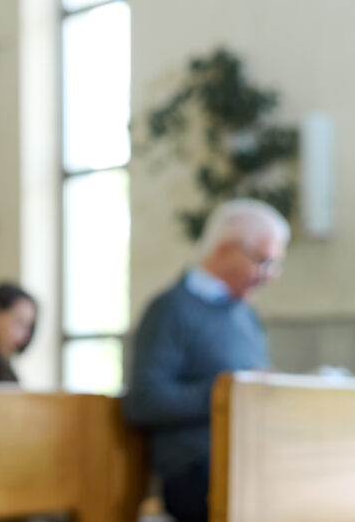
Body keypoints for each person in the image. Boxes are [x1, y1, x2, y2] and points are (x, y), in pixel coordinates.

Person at [123, 199, 289, 522]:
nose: (269, 276)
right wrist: (229, 390)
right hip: (195, 470)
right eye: (263, 262)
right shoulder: (170, 309)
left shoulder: (246, 316)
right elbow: (143, 401)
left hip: (250, 457)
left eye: (274, 266)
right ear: (226, 248)